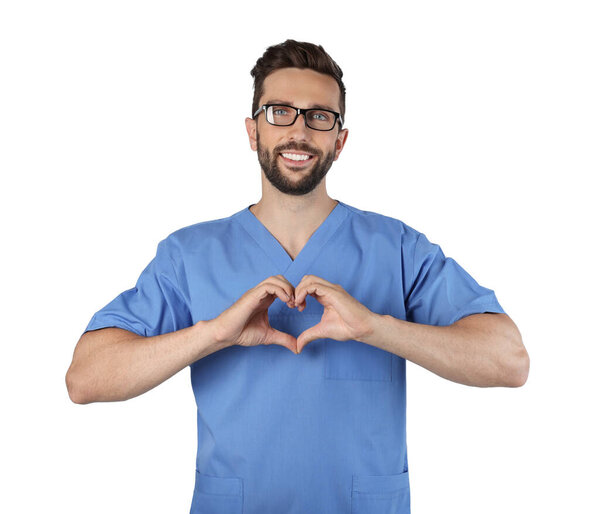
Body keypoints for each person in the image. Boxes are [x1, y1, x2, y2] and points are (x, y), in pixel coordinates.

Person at [66, 39, 529, 514]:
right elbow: (85, 378)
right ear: (252, 131)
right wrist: (211, 335)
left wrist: (376, 327)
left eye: (319, 117)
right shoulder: (190, 255)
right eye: (279, 112)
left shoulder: (397, 249)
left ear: (339, 140)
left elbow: (509, 360)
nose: (299, 131)